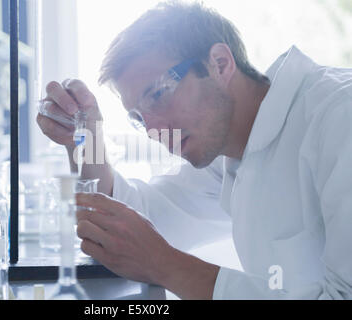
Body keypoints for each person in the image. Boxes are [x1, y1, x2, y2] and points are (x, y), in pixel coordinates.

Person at [36, 1, 352, 299]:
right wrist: (84, 136)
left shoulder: (339, 117)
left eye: (158, 94)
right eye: (138, 117)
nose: (154, 131)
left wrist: (165, 264)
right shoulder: (231, 150)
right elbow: (129, 223)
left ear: (219, 63)